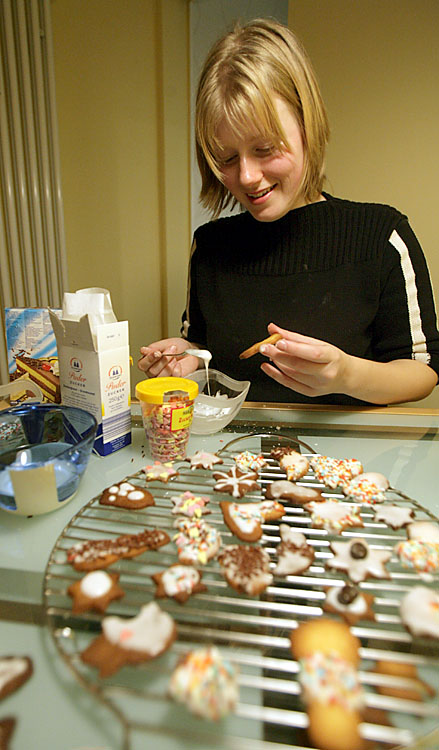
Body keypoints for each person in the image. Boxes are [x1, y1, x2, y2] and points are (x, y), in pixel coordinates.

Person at [138, 18, 439, 406]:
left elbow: (423, 370)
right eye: (226, 158)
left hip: (349, 463)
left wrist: (346, 374)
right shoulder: (210, 247)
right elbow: (205, 345)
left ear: (307, 126)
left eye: (265, 149)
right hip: (235, 457)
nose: (247, 177)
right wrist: (188, 359)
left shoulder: (381, 236)